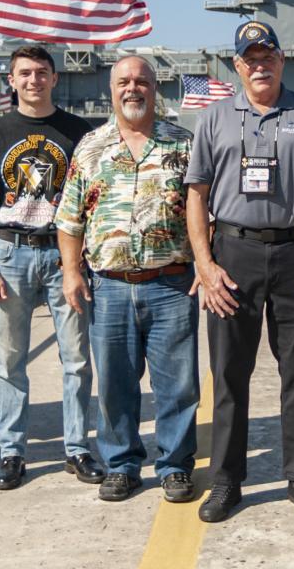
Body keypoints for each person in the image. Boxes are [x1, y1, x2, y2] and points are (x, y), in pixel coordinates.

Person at [186, 19, 294, 523]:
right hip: (233, 252)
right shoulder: (213, 119)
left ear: (282, 60)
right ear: (237, 66)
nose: (260, 65)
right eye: (250, 58)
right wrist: (205, 264)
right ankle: (226, 481)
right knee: (230, 373)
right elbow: (195, 196)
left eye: (268, 56)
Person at [56, 56, 199, 504]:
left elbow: (204, 214)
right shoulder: (91, 147)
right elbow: (69, 219)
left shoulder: (185, 145)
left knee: (177, 386)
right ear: (112, 88)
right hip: (110, 285)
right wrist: (71, 272)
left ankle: (175, 466)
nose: (132, 89)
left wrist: (207, 265)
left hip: (171, 283)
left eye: (141, 81)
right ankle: (121, 465)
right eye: (124, 82)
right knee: (115, 386)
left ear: (156, 89)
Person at [0, 45, 102, 492]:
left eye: (41, 72)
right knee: (10, 361)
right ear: (11, 80)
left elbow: (90, 199)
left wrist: (79, 262)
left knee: (77, 359)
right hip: (11, 253)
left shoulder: (78, 132)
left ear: (54, 78)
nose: (33, 80)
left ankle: (77, 447)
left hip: (64, 256)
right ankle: (12, 451)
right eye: (24, 73)